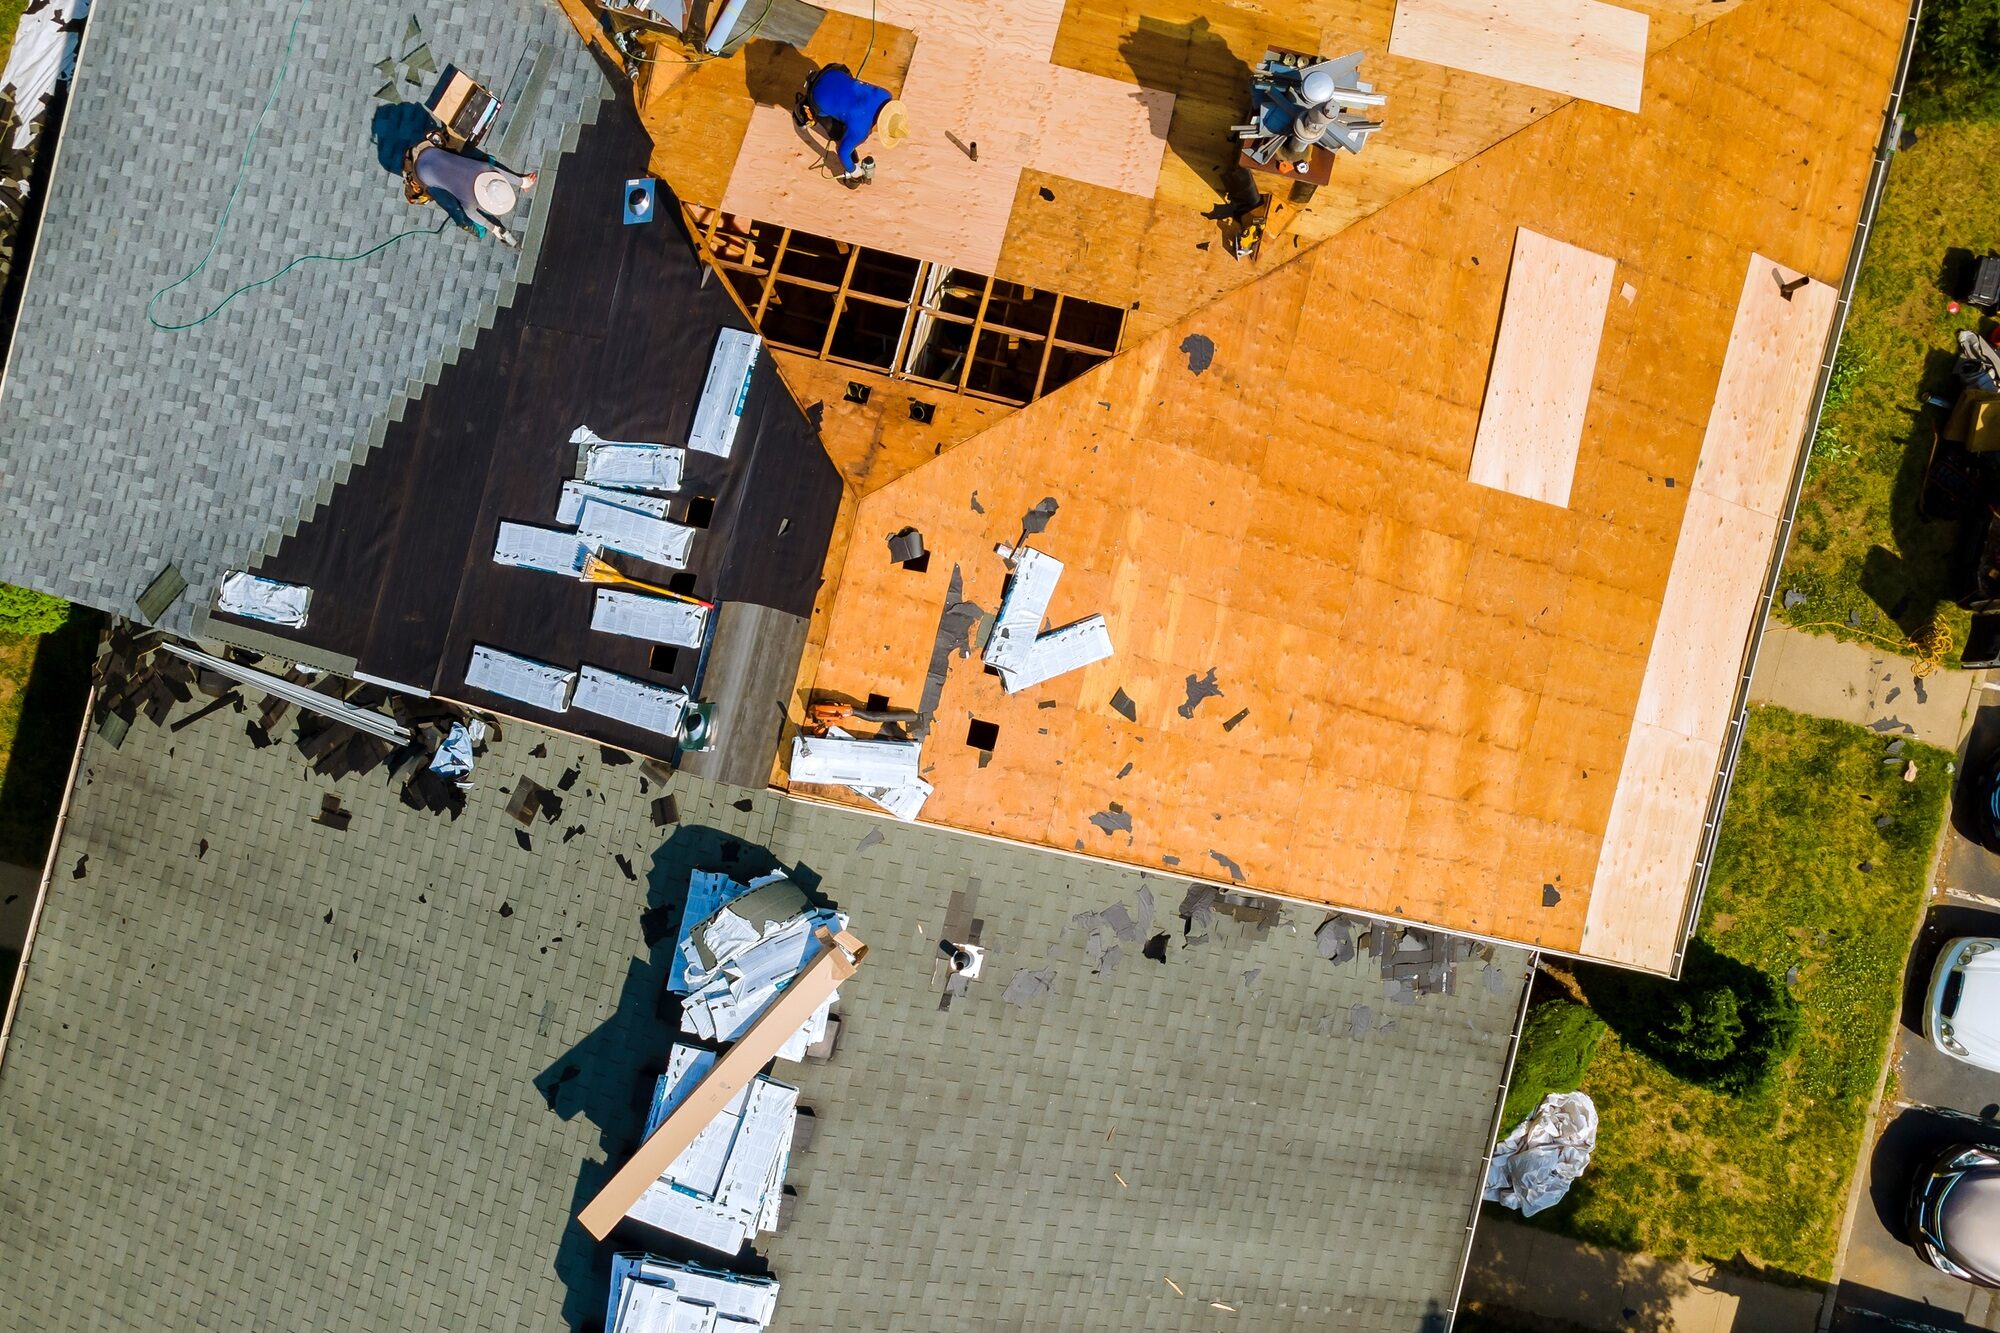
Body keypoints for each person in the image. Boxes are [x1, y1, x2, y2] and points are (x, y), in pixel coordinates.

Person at [404, 133, 538, 247]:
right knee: (455, 209)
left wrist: (522, 182)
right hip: (420, 174)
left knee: (481, 158)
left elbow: (500, 172)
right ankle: (470, 228)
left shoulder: (485, 168)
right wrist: (494, 229)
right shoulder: (469, 203)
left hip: (429, 150)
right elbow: (471, 215)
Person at [793, 63, 909, 185]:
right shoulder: (861, 132)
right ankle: (803, 108)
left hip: (832, 72)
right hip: (817, 96)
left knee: (849, 90)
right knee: (837, 135)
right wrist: (853, 170)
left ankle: (815, 79)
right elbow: (842, 152)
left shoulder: (885, 95)